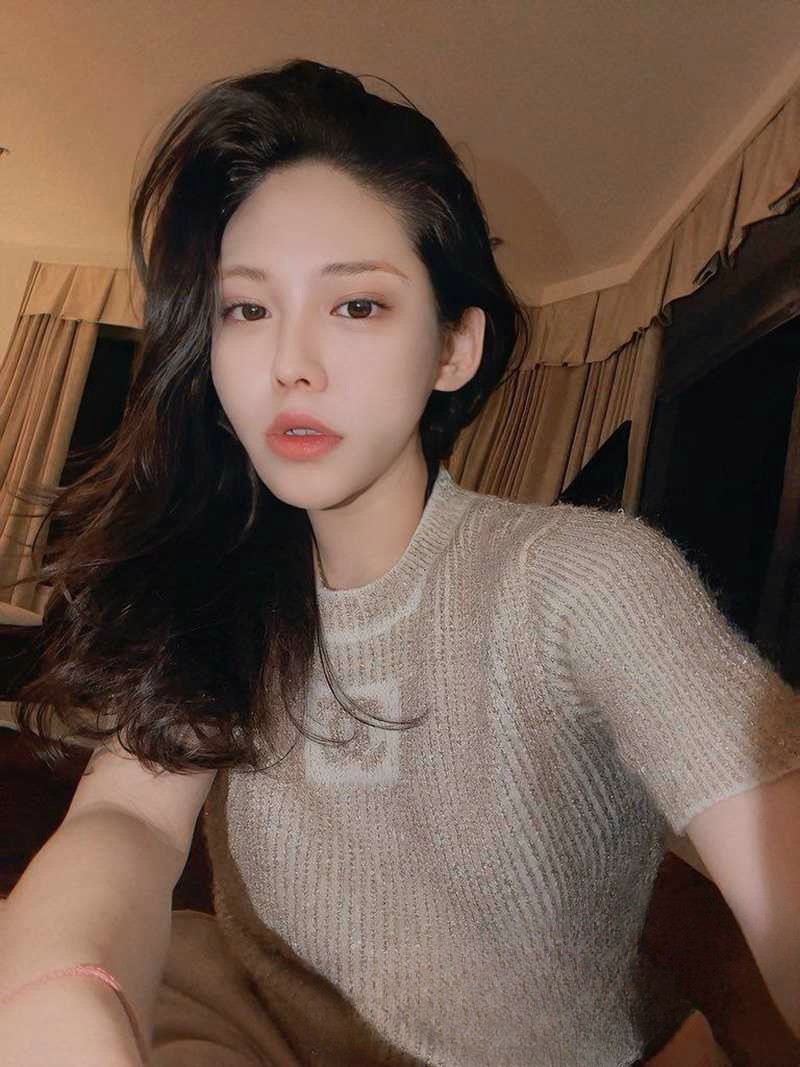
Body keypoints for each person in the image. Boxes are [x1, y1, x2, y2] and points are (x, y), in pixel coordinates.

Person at [2, 58, 799, 1066]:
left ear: (453, 348)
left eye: (357, 306)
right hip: (247, 1025)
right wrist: (59, 990)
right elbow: (128, 818)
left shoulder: (582, 581)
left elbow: (768, 825)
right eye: (246, 309)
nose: (290, 362)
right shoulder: (219, 585)